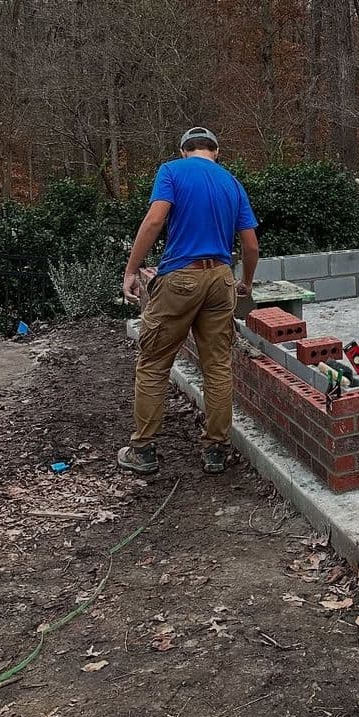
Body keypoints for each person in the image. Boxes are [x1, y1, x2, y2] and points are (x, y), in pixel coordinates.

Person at [119, 126, 259, 476]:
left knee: (153, 363)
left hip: (181, 278)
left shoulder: (172, 171)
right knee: (217, 367)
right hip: (220, 280)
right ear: (216, 151)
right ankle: (215, 451)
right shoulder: (232, 183)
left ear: (184, 151)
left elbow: (154, 220)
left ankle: (144, 451)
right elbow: (251, 245)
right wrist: (245, 283)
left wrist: (132, 269)